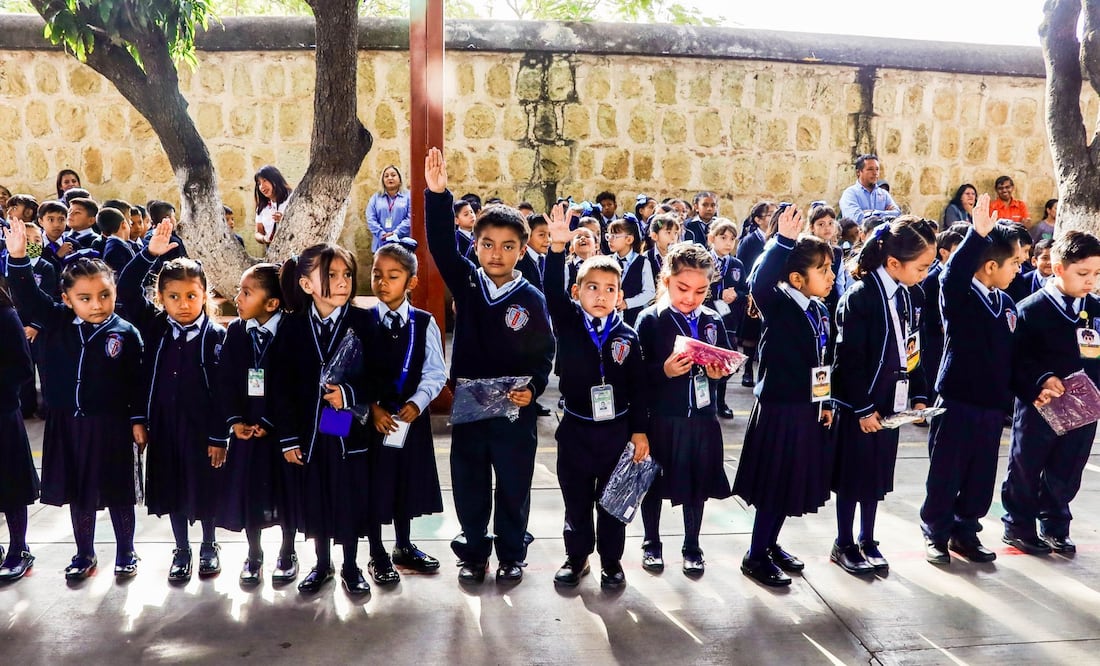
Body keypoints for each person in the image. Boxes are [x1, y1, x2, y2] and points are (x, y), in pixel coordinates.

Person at [423, 147, 554, 584]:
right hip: (472, 406)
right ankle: (474, 551)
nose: (496, 253)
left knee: (514, 484)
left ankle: (512, 551)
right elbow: (441, 244)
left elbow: (544, 353)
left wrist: (534, 389)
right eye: (487, 244)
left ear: (522, 250)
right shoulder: (467, 281)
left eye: (508, 246)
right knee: (470, 481)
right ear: (475, 245)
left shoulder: (531, 298)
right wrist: (438, 195)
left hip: (516, 410)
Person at [4, 222, 145, 581]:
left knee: (118, 491)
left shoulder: (125, 334)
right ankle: (84, 553)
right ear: (66, 299)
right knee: (80, 492)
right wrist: (19, 256)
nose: (96, 305)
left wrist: (138, 420)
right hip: (68, 424)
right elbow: (27, 297)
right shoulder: (56, 322)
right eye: (85, 298)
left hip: (110, 424)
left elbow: (137, 383)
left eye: (104, 295)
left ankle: (126, 550)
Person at [543, 203, 649, 589]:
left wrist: (639, 432)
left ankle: (611, 560)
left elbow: (638, 389)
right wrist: (557, 249)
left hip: (615, 432)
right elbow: (551, 293)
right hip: (575, 429)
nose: (601, 296)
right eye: (592, 288)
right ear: (578, 291)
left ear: (620, 295)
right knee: (576, 499)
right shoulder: (569, 323)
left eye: (610, 289)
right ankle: (577, 556)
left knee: (613, 500)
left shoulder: (628, 335)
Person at [117, 222, 228, 583]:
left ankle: (210, 544)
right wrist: (149, 254)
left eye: (192, 296)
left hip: (203, 429)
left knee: (206, 487)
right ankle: (182, 548)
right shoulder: (154, 329)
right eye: (174, 297)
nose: (183, 304)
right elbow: (127, 289)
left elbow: (226, 392)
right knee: (173, 487)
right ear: (161, 299)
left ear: (205, 295)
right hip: (164, 425)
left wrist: (218, 436)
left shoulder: (217, 337)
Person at [736, 204, 835, 587]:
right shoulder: (778, 305)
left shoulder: (817, 310)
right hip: (780, 410)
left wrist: (824, 402)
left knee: (788, 484)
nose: (830, 276)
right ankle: (755, 555)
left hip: (806, 409)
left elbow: (823, 361)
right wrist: (782, 242)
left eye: (830, 268)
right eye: (822, 270)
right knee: (774, 487)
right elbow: (758, 283)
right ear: (796, 278)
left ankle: (770, 544)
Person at [920, 195, 1022, 564]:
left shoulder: (1007, 305)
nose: (1018, 270)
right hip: (958, 400)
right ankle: (936, 530)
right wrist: (976, 237)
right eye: (1013, 263)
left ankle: (966, 530)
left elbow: (1014, 360)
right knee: (947, 471)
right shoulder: (959, 296)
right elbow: (952, 275)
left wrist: (1033, 388)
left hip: (992, 406)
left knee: (980, 475)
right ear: (990, 265)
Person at [831, 216, 935, 575]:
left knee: (875, 478)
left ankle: (867, 538)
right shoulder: (860, 297)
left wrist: (919, 395)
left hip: (891, 406)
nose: (925, 273)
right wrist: (861, 407)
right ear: (894, 263)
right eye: (921, 266)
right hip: (862, 407)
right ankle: (843, 541)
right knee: (852, 477)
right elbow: (848, 360)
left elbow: (913, 350)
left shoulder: (908, 296)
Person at [275, 243, 374, 596]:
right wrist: (287, 437)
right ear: (306, 285)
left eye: (347, 274)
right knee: (315, 496)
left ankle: (351, 565)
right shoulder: (292, 326)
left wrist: (348, 394)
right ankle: (321, 564)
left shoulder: (364, 321)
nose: (343, 282)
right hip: (307, 432)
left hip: (345, 428)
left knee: (346, 493)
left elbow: (378, 374)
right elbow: (280, 386)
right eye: (331, 275)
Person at [635, 242, 734, 576]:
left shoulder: (711, 320)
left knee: (697, 484)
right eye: (682, 289)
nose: (691, 298)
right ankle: (651, 542)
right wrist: (663, 371)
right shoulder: (650, 320)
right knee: (653, 482)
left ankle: (692, 544)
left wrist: (719, 372)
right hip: (662, 417)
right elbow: (634, 375)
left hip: (701, 418)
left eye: (701, 291)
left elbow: (725, 357)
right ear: (666, 281)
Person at [1001, 230, 1100, 556]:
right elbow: (1016, 358)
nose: (1090, 281)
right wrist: (1041, 380)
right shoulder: (1030, 309)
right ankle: (1019, 525)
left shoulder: (1095, 309)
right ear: (1058, 268)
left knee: (1068, 467)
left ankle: (1056, 523)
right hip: (1041, 405)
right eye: (1083, 273)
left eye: (1097, 274)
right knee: (1027, 464)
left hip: (1084, 407)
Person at [363, 238, 447, 584]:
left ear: (411, 282)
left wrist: (417, 402)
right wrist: (371, 408)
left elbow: (435, 371)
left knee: (404, 482)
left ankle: (403, 545)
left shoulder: (424, 323)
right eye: (377, 274)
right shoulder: (362, 321)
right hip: (371, 421)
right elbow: (347, 372)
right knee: (372, 483)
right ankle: (376, 552)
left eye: (393, 276)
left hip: (408, 420)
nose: (383, 283)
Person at [215, 263, 301, 586]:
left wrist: (270, 421)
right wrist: (235, 421)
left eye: (246, 292)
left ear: (272, 303)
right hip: (247, 433)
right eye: (240, 290)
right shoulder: (237, 331)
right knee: (251, 495)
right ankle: (254, 554)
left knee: (286, 494)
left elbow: (293, 385)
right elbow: (225, 381)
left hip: (281, 434)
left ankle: (288, 551)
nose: (237, 298)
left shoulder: (292, 332)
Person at [0, 276, 40, 582]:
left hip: (2, 413)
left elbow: (22, 368)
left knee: (10, 486)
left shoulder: (5, 314)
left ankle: (19, 548)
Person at [706, 219, 748, 419]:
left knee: (727, 359)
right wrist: (717, 294)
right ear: (712, 238)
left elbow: (745, 290)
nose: (728, 243)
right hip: (707, 317)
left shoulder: (737, 264)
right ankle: (709, 399)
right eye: (723, 238)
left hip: (729, 321)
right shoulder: (704, 262)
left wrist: (736, 295)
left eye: (732, 239)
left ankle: (721, 400)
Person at [919, 228, 964, 408]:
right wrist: (939, 323)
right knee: (931, 370)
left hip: (948, 334)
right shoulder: (932, 278)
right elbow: (927, 307)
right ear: (944, 252)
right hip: (934, 335)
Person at [736, 203, 776, 387]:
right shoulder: (750, 241)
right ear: (758, 220)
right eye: (769, 214)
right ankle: (747, 371)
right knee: (751, 334)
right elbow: (743, 267)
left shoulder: (778, 240)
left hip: (775, 292)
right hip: (755, 293)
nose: (773, 217)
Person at [607, 217, 656, 326]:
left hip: (633, 316)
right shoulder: (607, 261)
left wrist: (627, 303)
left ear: (629, 239)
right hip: (609, 316)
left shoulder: (643, 262)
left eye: (614, 236)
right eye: (609, 236)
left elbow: (649, 292)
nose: (610, 239)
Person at [839, 155, 899, 225]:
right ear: (858, 172)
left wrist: (871, 212)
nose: (875, 173)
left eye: (877, 169)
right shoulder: (850, 194)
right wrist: (885, 214)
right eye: (870, 169)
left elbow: (897, 214)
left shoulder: (884, 194)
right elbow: (856, 219)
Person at [366, 165, 411, 251]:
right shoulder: (375, 198)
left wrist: (395, 233)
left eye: (393, 175)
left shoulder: (408, 196)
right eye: (386, 176)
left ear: (400, 179)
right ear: (383, 180)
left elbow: (410, 218)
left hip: (402, 245)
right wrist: (381, 234)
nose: (390, 178)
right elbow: (370, 218)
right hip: (380, 245)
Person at [253, 166, 292, 247]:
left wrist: (285, 221)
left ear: (275, 179)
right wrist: (264, 239)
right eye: (259, 183)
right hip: (272, 249)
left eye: (265, 180)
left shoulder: (291, 199)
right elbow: (258, 233)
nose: (262, 187)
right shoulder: (262, 207)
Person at [517, 213, 550, 293]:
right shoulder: (520, 261)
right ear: (527, 235)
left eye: (549, 235)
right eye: (541, 235)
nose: (548, 239)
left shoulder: (546, 259)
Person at [97, 208, 135, 277]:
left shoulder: (112, 244)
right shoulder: (117, 248)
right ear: (123, 224)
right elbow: (121, 276)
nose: (131, 224)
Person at [646, 212, 681, 277]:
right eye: (668, 232)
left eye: (675, 233)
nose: (673, 238)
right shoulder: (646, 258)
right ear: (654, 236)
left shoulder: (681, 257)